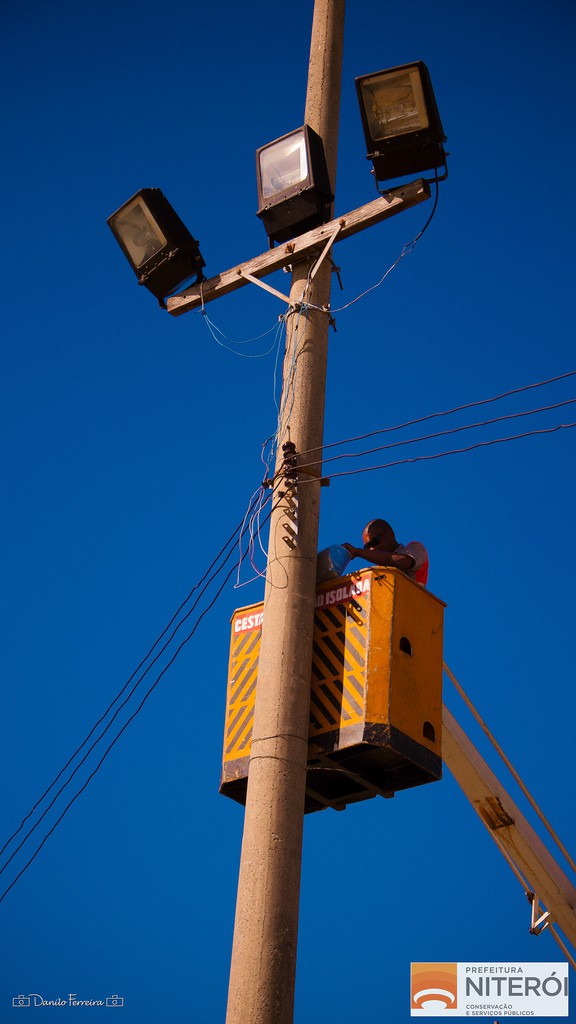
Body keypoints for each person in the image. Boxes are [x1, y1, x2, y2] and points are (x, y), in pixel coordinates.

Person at [342, 518, 429, 586]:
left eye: (374, 542)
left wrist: (359, 552)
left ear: (390, 534)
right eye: (367, 548)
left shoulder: (415, 547)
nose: (372, 549)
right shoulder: (379, 571)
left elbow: (402, 561)